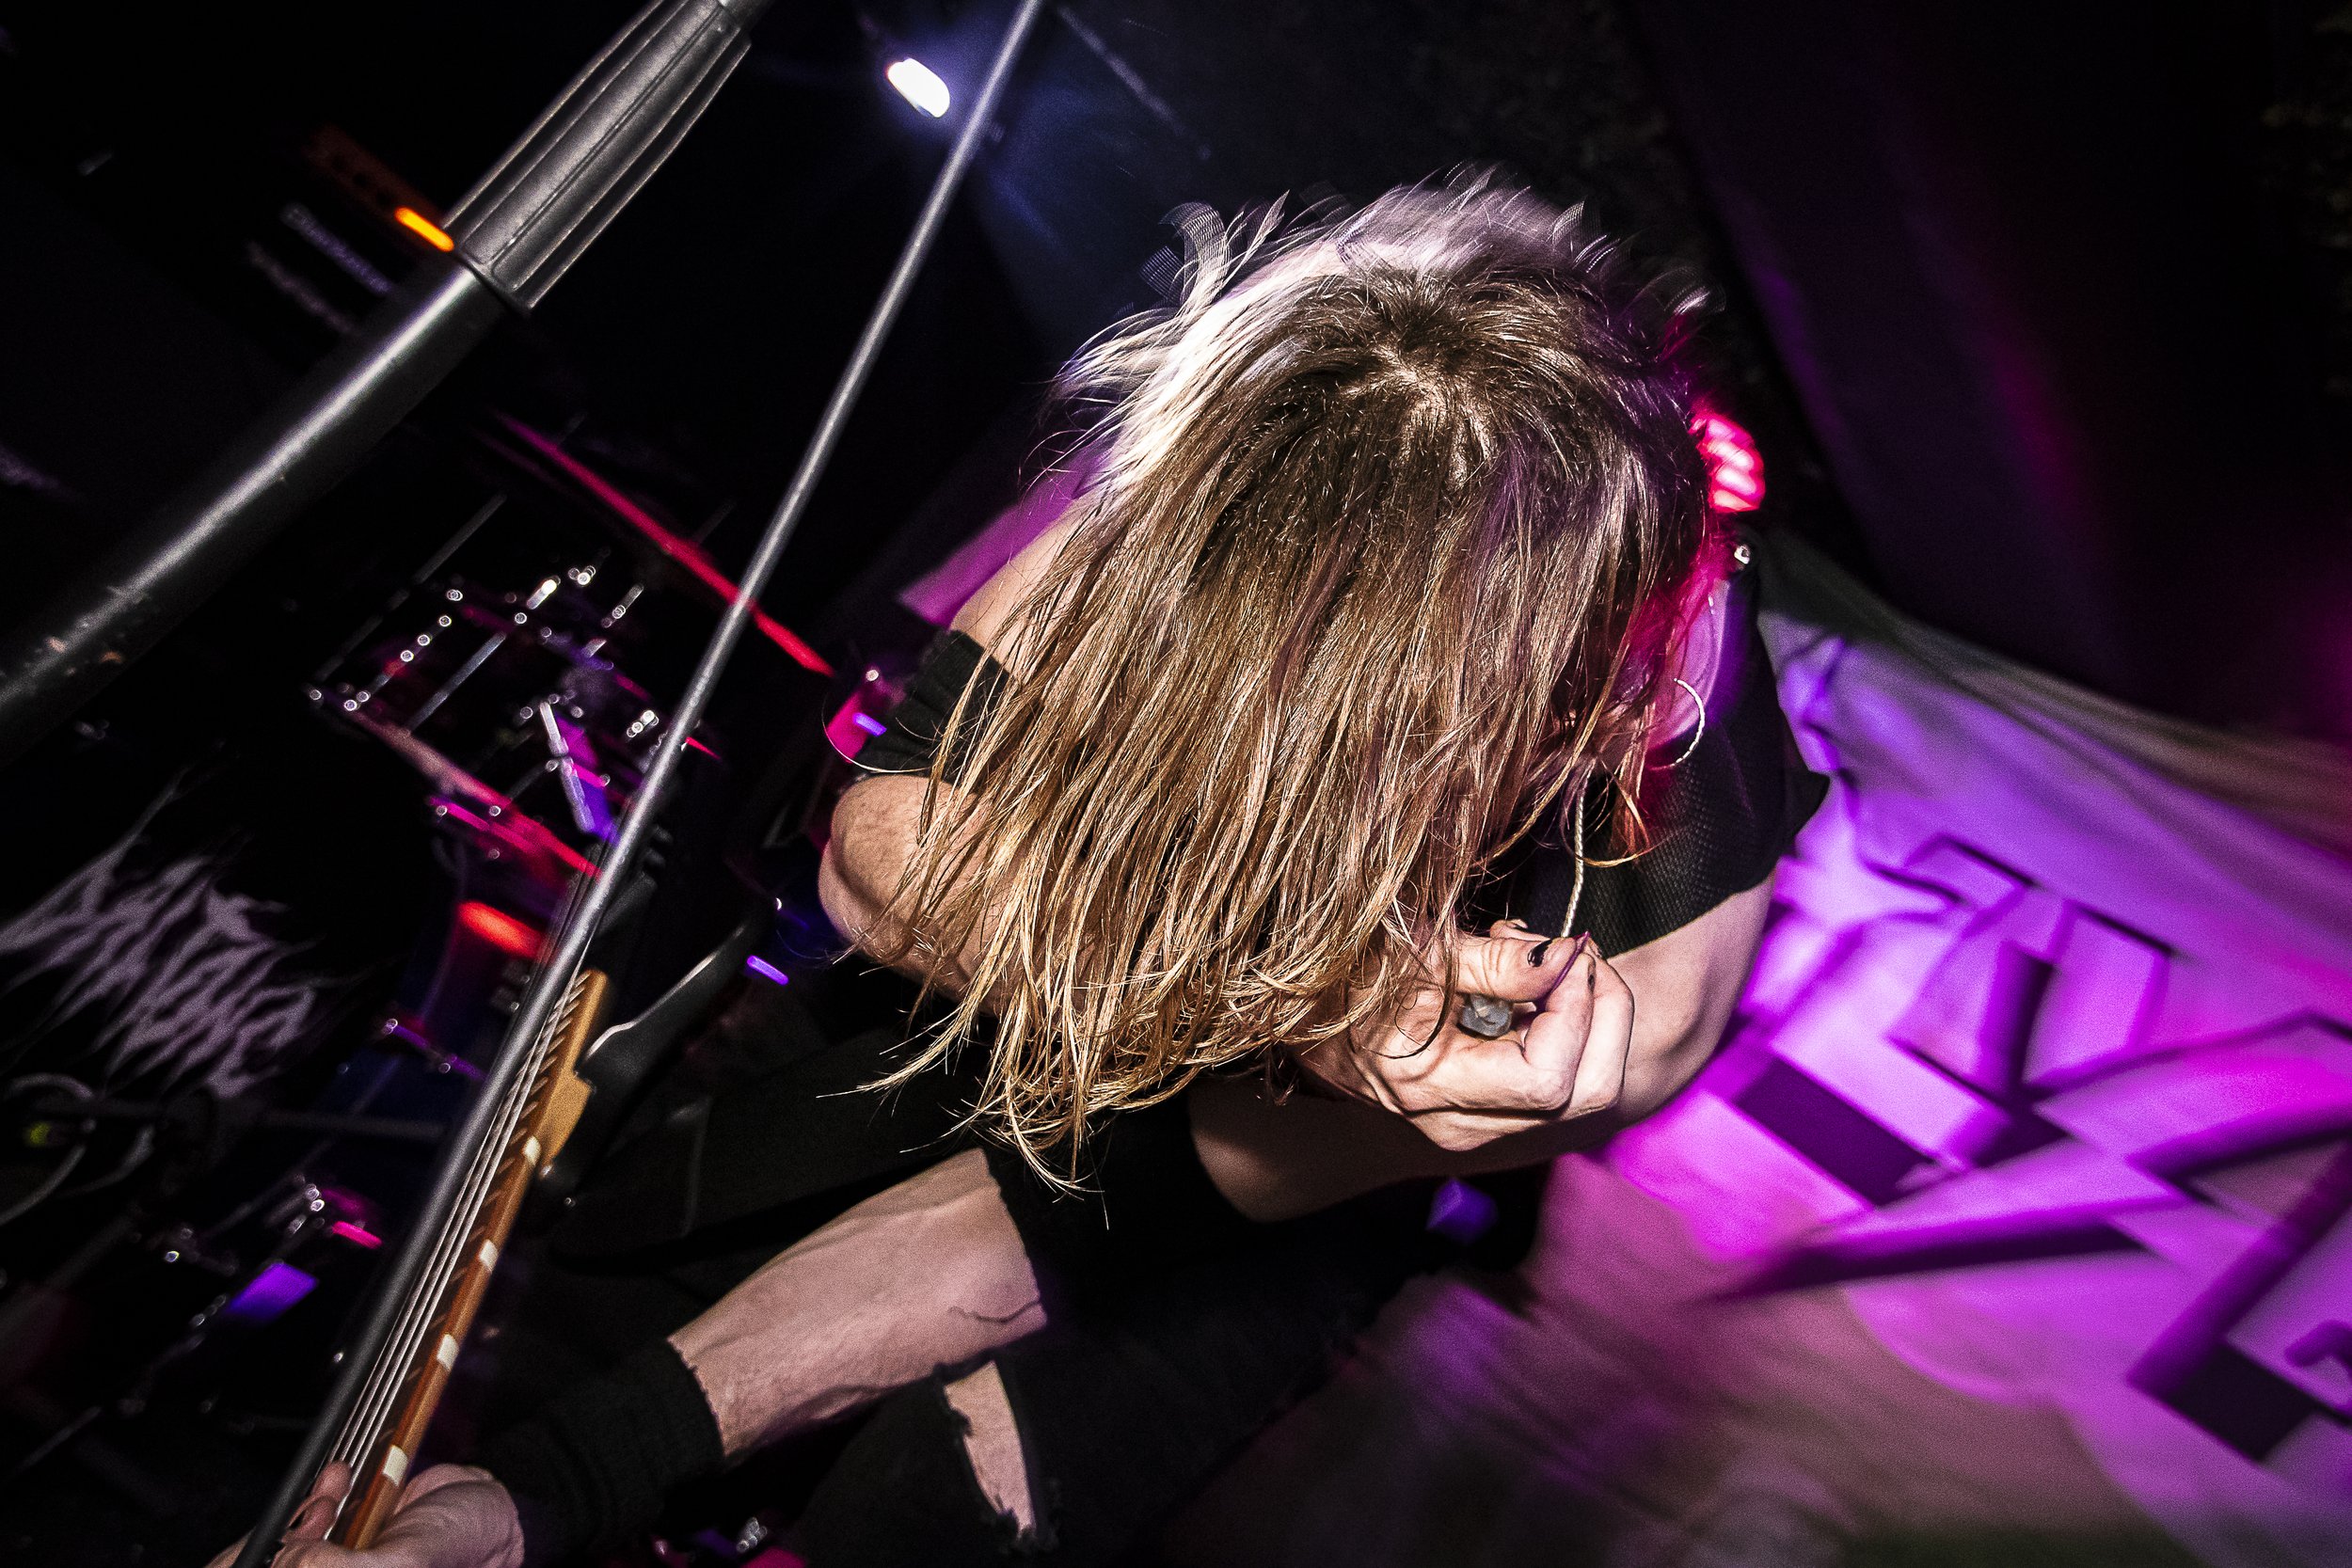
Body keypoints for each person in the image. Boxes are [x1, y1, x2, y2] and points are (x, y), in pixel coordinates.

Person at [225, 175, 1823, 1568]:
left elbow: (1046, 1222)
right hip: (968, 1032)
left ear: (1565, 712)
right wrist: (1304, 995)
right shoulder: (1275, 441)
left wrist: (563, 1491)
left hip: (1242, 1216)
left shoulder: (1612, 981)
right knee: (569, 1324)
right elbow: (887, 854)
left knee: (925, 1514)